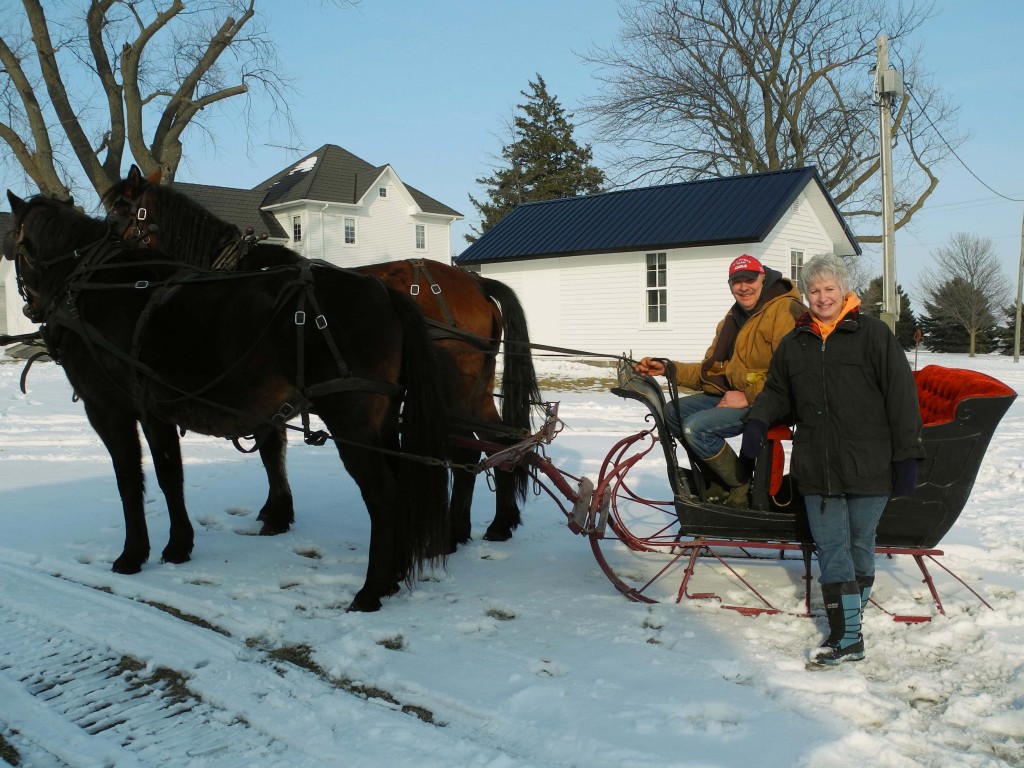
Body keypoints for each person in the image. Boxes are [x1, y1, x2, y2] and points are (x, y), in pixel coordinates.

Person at [740, 254, 924, 668]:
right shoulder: (794, 342)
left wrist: (907, 455)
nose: (822, 297)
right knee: (832, 548)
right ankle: (848, 638)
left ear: (843, 290)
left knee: (860, 544)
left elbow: (901, 398)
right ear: (805, 295)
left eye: (829, 289)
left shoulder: (874, 335)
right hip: (817, 463)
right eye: (814, 290)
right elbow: (777, 392)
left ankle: (851, 626)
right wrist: (758, 419)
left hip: (869, 461)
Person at [635, 254, 805, 507]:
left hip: (773, 400)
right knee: (672, 413)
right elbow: (711, 372)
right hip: (739, 394)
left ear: (763, 278)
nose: (743, 287)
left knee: (696, 427)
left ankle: (740, 485)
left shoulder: (784, 312)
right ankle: (717, 479)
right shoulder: (736, 316)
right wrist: (669, 369)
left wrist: (747, 396)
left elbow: (794, 372)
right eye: (736, 282)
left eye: (749, 279)